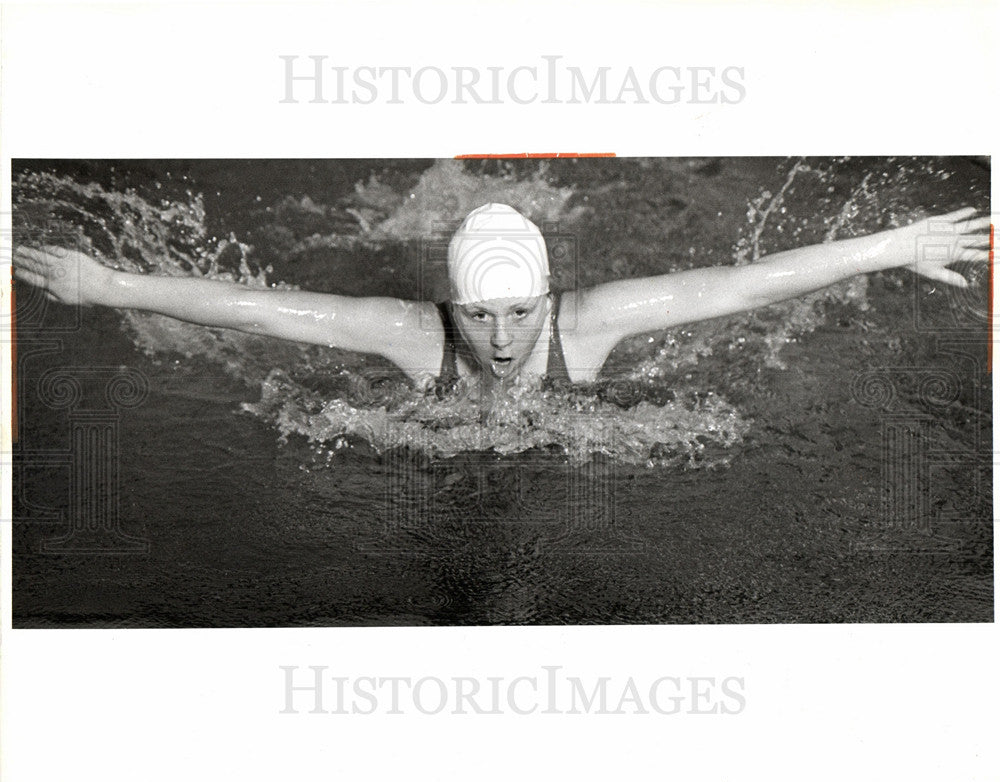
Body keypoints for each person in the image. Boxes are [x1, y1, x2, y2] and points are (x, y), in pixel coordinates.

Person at [12, 202, 991, 400]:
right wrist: (111, 287)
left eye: (518, 313)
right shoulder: (410, 334)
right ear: (450, 304)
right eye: (478, 314)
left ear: (550, 297)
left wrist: (894, 246)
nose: (499, 336)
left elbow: (747, 286)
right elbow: (257, 310)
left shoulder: (593, 320)